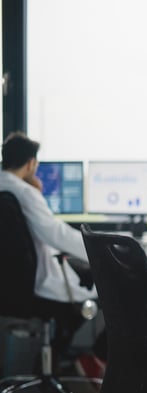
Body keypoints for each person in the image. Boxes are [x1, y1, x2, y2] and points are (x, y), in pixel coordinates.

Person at [0, 132, 107, 377]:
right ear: (30, 163)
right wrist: (101, 250)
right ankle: (93, 356)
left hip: (9, 288)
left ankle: (57, 357)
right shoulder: (24, 193)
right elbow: (56, 234)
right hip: (36, 288)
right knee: (118, 288)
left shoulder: (8, 189)